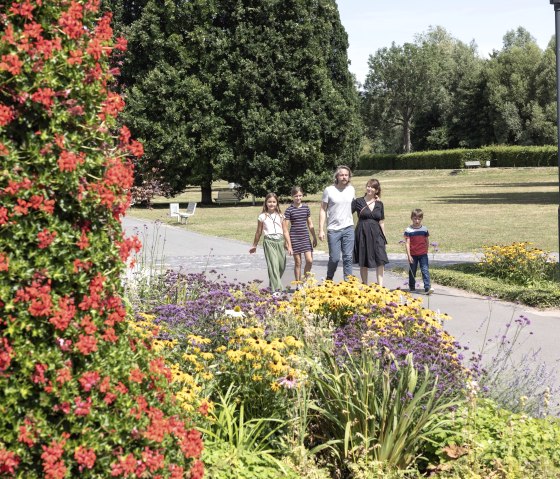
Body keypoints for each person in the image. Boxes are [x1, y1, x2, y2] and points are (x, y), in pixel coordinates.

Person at [318, 165, 355, 281]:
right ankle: (329, 278)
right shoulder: (329, 190)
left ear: (349, 177)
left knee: (348, 257)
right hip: (333, 229)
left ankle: (348, 284)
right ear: (337, 176)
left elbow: (357, 204)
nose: (344, 177)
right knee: (334, 258)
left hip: (348, 228)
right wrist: (321, 230)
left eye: (346, 175)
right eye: (341, 175)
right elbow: (323, 209)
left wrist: (375, 199)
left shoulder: (351, 189)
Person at [352, 178, 389, 286]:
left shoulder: (379, 204)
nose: (369, 188)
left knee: (380, 258)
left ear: (376, 190)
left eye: (372, 187)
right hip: (362, 233)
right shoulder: (358, 201)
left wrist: (384, 238)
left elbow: (381, 221)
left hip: (377, 234)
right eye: (368, 186)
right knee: (363, 259)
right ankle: (364, 285)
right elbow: (347, 214)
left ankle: (380, 285)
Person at [249, 193, 287, 293]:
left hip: (280, 242)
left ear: (277, 203)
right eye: (269, 202)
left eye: (274, 202)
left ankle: (272, 285)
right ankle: (277, 290)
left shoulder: (281, 216)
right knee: (273, 266)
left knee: (281, 266)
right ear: (266, 203)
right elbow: (258, 232)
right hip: (269, 242)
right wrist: (254, 245)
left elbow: (286, 231)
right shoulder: (262, 217)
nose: (271, 204)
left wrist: (289, 245)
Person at [283, 186, 318, 287]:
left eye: (300, 195)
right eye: (296, 196)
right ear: (292, 197)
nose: (298, 198)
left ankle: (304, 281)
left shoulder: (306, 208)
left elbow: (310, 224)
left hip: (305, 238)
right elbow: (285, 227)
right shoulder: (289, 210)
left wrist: (314, 237)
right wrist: (287, 242)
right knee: (298, 262)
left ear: (302, 195)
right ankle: (298, 284)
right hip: (294, 238)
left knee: (309, 260)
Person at [404, 208, 434, 294]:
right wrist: (409, 255)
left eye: (419, 219)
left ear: (421, 219)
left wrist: (426, 250)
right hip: (413, 254)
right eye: (415, 219)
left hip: (423, 254)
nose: (417, 221)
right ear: (411, 218)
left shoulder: (424, 229)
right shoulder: (408, 230)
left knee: (425, 269)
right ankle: (412, 286)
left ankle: (427, 287)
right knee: (412, 271)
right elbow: (407, 243)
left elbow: (427, 240)